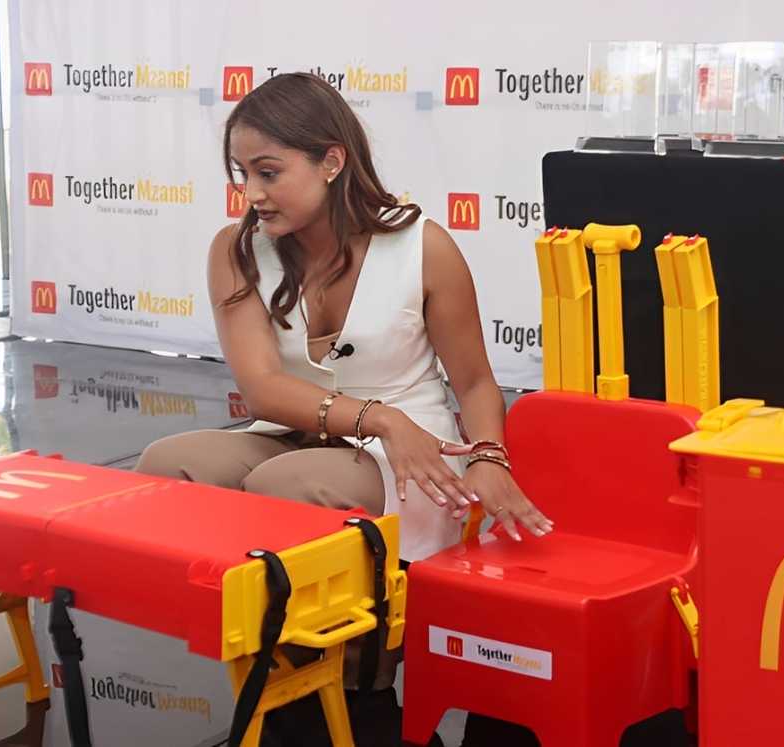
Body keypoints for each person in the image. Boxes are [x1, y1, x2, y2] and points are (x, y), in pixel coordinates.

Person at [136, 72, 553, 746]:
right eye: (242, 172)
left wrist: (488, 459)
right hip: (303, 430)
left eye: (269, 171)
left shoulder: (423, 246)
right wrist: (378, 415)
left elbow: (475, 381)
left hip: (408, 459)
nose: (252, 192)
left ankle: (365, 660)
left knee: (286, 488)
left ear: (332, 161)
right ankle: (269, 645)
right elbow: (265, 387)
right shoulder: (237, 249)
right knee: (169, 466)